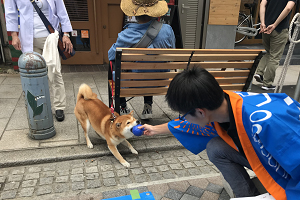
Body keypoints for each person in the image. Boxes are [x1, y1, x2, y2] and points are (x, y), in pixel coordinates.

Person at [141, 66, 300, 199]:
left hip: (292, 168)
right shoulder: (225, 103)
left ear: (200, 112)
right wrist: (154, 129)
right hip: (275, 157)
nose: (184, 120)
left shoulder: (266, 123)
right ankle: (246, 196)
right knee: (216, 148)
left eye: (184, 115)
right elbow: (184, 124)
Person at [5, 0, 73, 122]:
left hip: (50, 38)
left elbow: (61, 10)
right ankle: (39, 106)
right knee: (34, 75)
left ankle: (59, 106)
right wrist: (14, 35)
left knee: (54, 72)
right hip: (28, 39)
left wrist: (66, 34)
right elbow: (11, 13)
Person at [108, 0, 176, 119]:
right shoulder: (167, 30)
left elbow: (111, 55)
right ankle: (148, 107)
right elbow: (173, 52)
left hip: (133, 83)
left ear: (134, 13)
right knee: (151, 66)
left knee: (117, 68)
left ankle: (123, 107)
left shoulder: (127, 34)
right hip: (160, 81)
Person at [254, 0, 296, 90]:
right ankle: (267, 84)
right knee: (274, 57)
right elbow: (288, 8)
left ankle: (259, 72)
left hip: (265, 27)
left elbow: (262, 4)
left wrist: (262, 23)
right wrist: (275, 25)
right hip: (279, 29)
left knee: (269, 52)